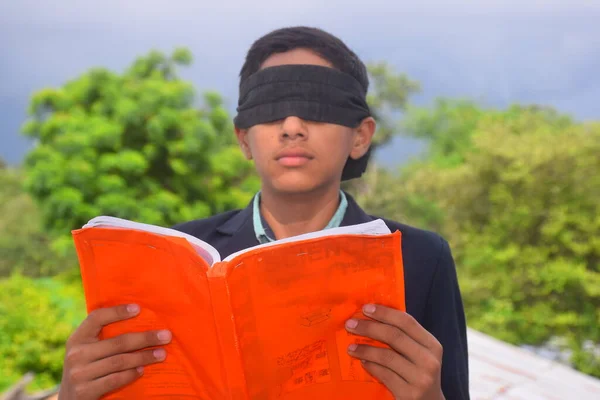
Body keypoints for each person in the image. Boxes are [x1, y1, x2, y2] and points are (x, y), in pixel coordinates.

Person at [58, 27, 469, 400]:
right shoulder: (177, 256)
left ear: (360, 136)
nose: (291, 125)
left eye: (316, 106)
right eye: (271, 109)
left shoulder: (419, 257)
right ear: (244, 139)